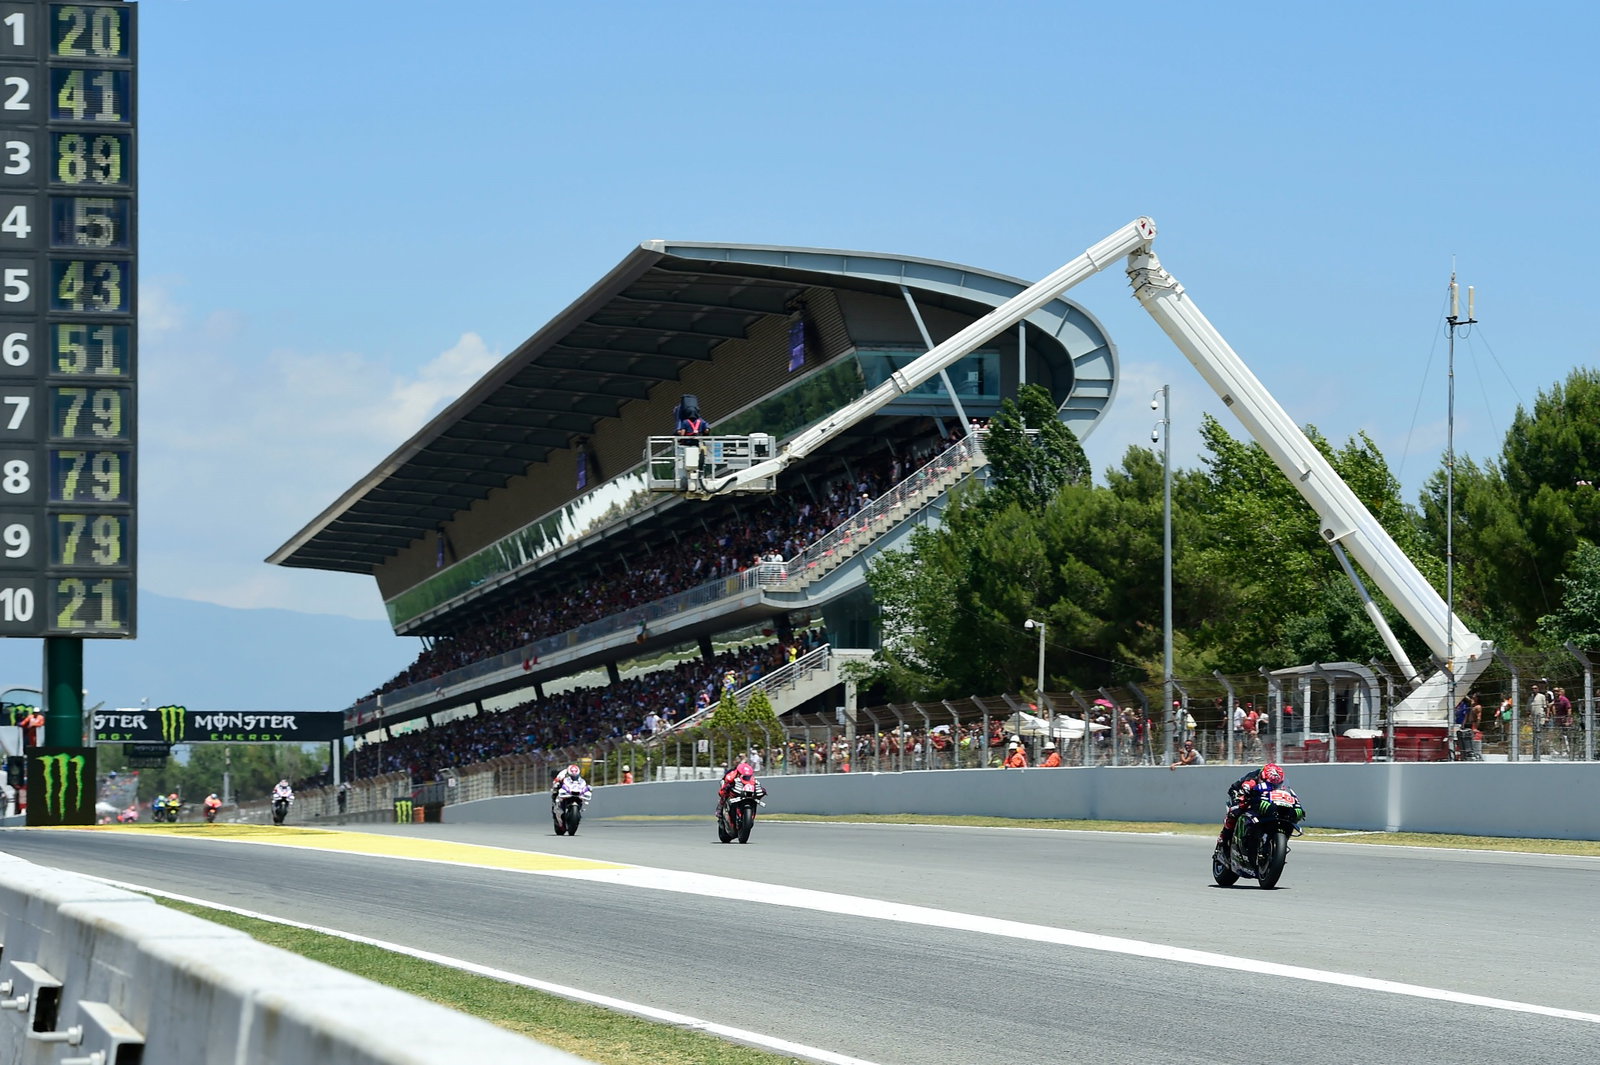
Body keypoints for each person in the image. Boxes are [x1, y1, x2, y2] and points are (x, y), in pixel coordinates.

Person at [1219, 763, 1285, 844]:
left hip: (1260, 797)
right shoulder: (1253, 778)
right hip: (1238, 791)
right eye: (1270, 784)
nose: (1273, 786)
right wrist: (1246, 790)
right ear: (1262, 777)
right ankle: (1224, 838)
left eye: (1276, 784)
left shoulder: (1277, 782)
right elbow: (1247, 785)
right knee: (1235, 811)